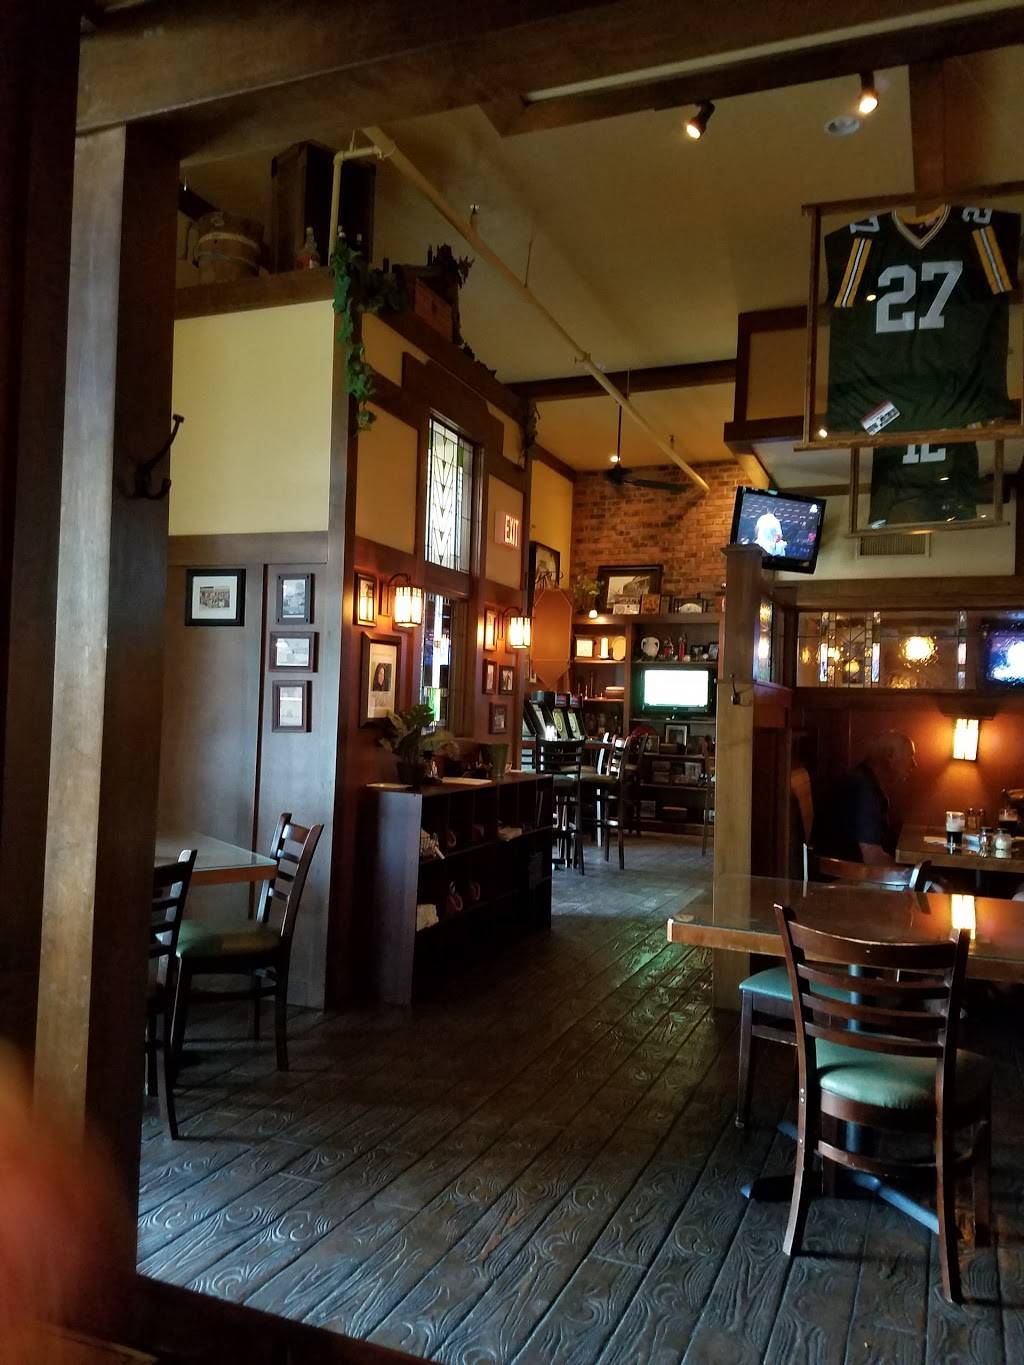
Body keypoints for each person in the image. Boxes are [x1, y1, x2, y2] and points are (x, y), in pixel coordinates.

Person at [811, 731, 917, 865]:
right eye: (910, 756)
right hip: (844, 875)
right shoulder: (863, 789)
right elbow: (873, 859)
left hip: (848, 871)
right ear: (890, 755)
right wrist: (911, 872)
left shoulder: (863, 780)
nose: (914, 764)